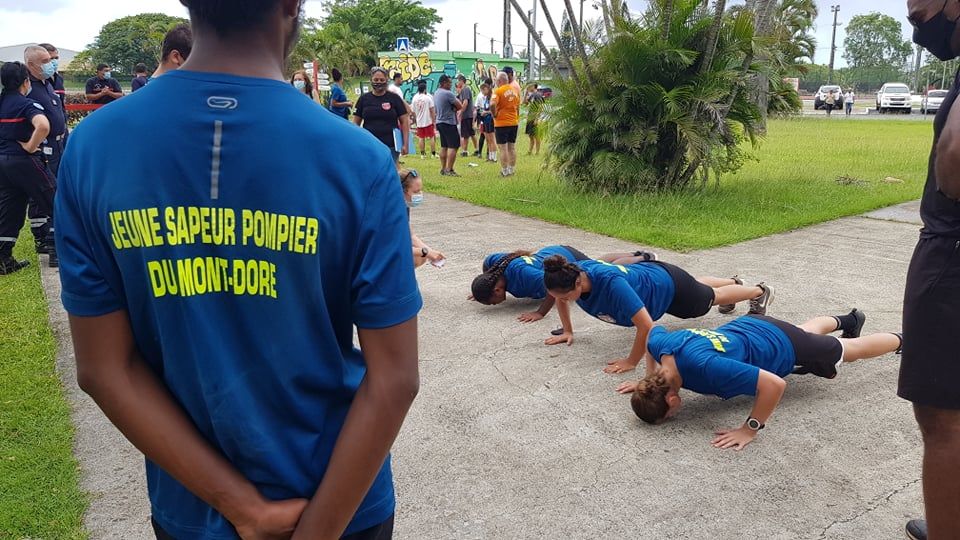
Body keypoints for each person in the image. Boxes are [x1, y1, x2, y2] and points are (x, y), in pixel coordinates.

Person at [55, 0, 422, 538]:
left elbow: (105, 369)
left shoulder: (93, 146)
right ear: (292, 5)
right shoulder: (358, 159)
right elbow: (394, 379)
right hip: (340, 504)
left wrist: (242, 507)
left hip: (195, 509)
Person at [616, 311, 901, 450]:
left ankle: (904, 341)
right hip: (752, 325)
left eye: (669, 416)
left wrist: (749, 429)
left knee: (852, 351)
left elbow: (774, 385)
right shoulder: (665, 350)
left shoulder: (706, 366)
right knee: (804, 331)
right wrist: (645, 378)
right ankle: (848, 319)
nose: (674, 415)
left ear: (672, 399)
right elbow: (652, 332)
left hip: (776, 344)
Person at [899, 1, 960, 537]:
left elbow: (956, 163)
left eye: (920, 19)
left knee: (940, 417)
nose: (919, 32)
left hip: (952, 254)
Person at [541, 255, 774, 374]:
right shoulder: (568, 274)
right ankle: (735, 282)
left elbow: (646, 326)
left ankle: (759, 291)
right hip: (656, 278)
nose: (560, 301)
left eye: (564, 296)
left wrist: (631, 361)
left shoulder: (611, 284)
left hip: (669, 288)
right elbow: (560, 299)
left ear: (579, 283)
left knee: (710, 298)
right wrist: (568, 330)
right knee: (700, 287)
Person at [471, 247, 658, 323]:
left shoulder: (527, 276)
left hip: (565, 257)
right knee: (598, 262)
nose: (495, 304)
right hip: (548, 253)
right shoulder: (494, 267)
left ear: (496, 289)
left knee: (603, 266)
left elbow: (552, 289)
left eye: (492, 301)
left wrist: (540, 312)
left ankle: (643, 257)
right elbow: (486, 266)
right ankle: (636, 254)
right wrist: (481, 288)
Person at [0, 61, 55, 275]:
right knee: (55, 200)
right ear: (25, 81)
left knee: (9, 210)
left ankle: (4, 258)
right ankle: (59, 251)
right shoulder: (26, 104)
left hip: (3, 164)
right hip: (24, 161)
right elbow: (43, 125)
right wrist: (31, 146)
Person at [24, 45, 66, 264]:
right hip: (44, 148)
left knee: (56, 190)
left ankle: (49, 238)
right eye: (46, 60)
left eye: (52, 59)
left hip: (58, 145)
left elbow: (59, 113)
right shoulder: (29, 89)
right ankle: (45, 238)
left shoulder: (48, 84)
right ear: (31, 65)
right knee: (46, 194)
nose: (51, 63)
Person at [354, 66, 410, 162]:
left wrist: (405, 143)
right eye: (376, 79)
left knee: (390, 172)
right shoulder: (363, 99)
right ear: (371, 80)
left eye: (381, 79)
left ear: (386, 80)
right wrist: (355, 142)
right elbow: (355, 124)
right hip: (369, 144)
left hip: (391, 146)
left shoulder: (394, 98)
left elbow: (404, 121)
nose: (378, 82)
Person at [400, 168, 444, 268]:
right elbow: (394, 247)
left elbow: (411, 236)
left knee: (420, 256)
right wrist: (425, 252)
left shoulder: (403, 206)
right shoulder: (390, 211)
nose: (419, 195)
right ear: (403, 191)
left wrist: (431, 252)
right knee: (418, 256)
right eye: (416, 191)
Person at [491, 72, 520, 177]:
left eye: (496, 81)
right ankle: (512, 170)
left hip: (501, 123)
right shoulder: (515, 91)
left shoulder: (498, 91)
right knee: (511, 147)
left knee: (503, 148)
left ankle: (504, 171)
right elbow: (517, 107)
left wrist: (494, 114)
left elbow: (492, 104)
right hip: (513, 122)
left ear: (499, 81)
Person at [433, 74, 463, 176]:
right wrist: (454, 108)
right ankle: (449, 169)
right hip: (449, 122)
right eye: (449, 82)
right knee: (453, 146)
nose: (451, 84)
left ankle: (443, 168)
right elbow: (460, 105)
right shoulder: (448, 93)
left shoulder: (436, 93)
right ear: (443, 83)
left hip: (440, 122)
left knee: (444, 146)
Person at [37, 43, 67, 118]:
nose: (54, 61)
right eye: (51, 58)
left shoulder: (59, 79)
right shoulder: (33, 81)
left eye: (56, 58)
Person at [410, 81, 437, 159]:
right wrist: (433, 120)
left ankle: (422, 154)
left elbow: (413, 111)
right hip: (428, 121)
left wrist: (415, 120)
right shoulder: (428, 98)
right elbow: (432, 110)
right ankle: (433, 154)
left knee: (421, 138)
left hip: (419, 122)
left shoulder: (415, 99)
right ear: (425, 89)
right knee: (431, 137)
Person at [456, 74, 477, 158]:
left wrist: (461, 111)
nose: (457, 83)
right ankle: (472, 149)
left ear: (461, 81)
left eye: (458, 81)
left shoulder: (465, 89)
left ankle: (468, 150)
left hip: (467, 115)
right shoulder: (462, 91)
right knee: (469, 134)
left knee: (467, 134)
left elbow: (465, 102)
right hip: (467, 115)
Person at [476, 82, 496, 162]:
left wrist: (486, 112)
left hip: (490, 120)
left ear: (487, 89)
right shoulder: (486, 98)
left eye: (483, 91)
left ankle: (494, 157)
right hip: (485, 120)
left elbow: (494, 111)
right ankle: (490, 156)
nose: (482, 93)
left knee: (492, 139)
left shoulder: (492, 97)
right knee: (488, 139)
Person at [523, 83, 545, 156]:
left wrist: (537, 118)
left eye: (530, 86)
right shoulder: (532, 95)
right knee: (530, 135)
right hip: (530, 117)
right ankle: (530, 151)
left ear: (533, 86)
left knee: (536, 135)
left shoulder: (538, 95)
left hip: (535, 117)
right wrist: (526, 94)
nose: (528, 87)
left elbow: (541, 107)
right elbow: (525, 103)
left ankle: (537, 152)